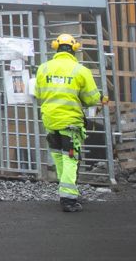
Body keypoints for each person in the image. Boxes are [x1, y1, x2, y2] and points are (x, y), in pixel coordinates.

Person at [33, 33, 107, 213]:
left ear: (55, 47)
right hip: (70, 124)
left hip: (50, 121)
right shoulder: (80, 70)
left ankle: (67, 191)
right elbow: (91, 99)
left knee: (59, 157)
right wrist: (100, 98)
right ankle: (68, 199)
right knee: (71, 159)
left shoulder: (43, 68)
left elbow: (39, 94)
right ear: (74, 49)